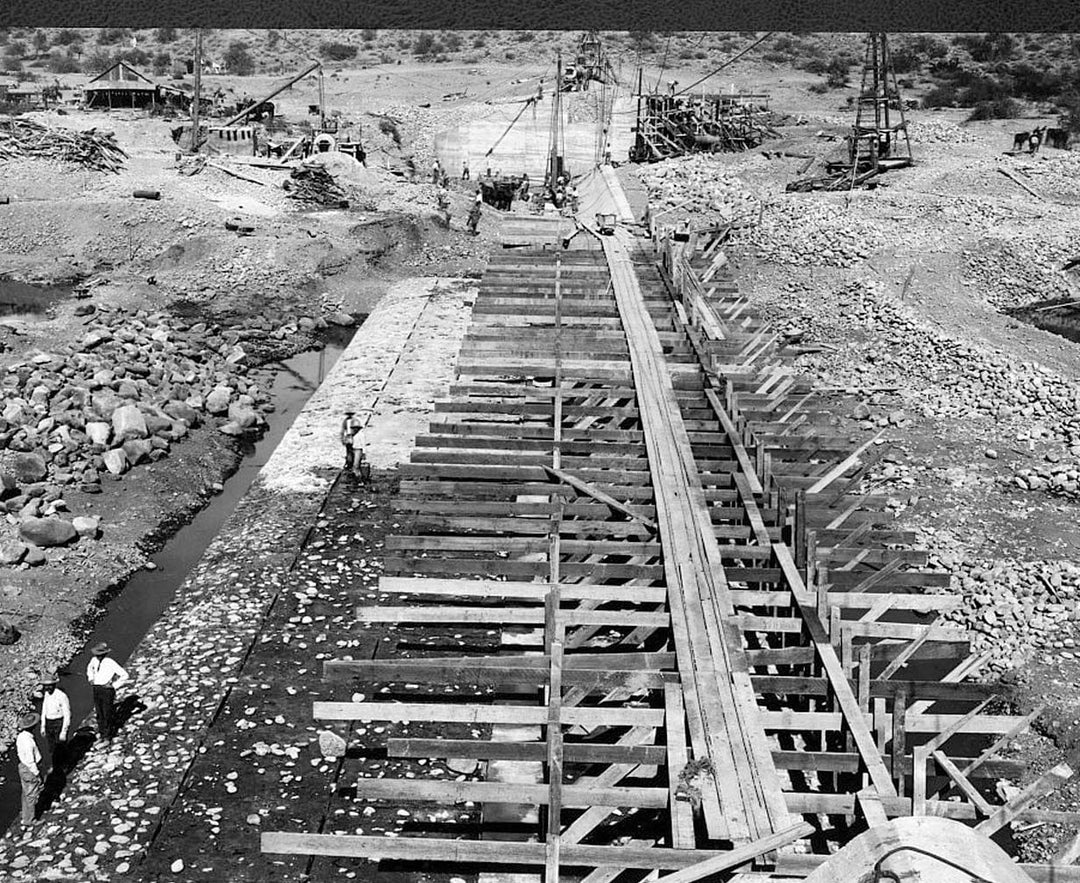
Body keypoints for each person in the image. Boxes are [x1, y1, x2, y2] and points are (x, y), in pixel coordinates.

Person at [87, 642, 129, 746]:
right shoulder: (94, 660)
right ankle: (102, 735)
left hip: (106, 689)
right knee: (99, 713)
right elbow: (89, 669)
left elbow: (124, 675)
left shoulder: (110, 662)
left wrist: (114, 685)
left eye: (100, 654)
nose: (98, 656)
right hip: (96, 688)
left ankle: (107, 737)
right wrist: (91, 678)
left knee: (107, 713)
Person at [39, 672, 70, 772]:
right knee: (51, 747)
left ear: (54, 685)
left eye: (49, 686)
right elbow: (44, 710)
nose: (47, 688)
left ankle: (65, 766)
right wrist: (43, 726)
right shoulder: (47, 695)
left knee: (61, 746)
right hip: (49, 723)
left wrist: (64, 731)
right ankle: (55, 765)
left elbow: (67, 714)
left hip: (59, 723)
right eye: (45, 686)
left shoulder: (62, 696)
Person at [16, 713, 42, 829]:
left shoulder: (21, 737)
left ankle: (25, 816)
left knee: (26, 793)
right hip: (29, 769)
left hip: (22, 767)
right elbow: (31, 761)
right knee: (31, 794)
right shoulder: (28, 741)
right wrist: (36, 774)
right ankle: (30, 820)